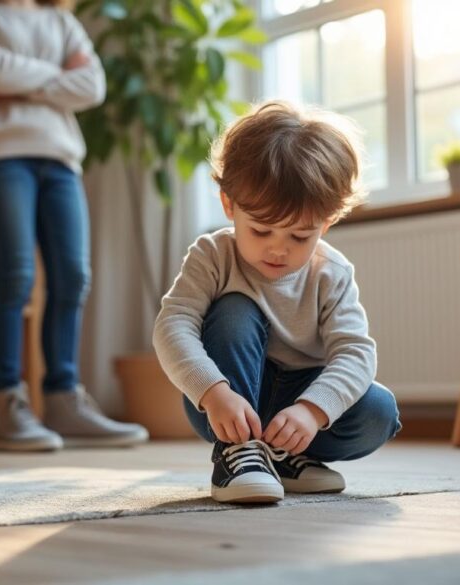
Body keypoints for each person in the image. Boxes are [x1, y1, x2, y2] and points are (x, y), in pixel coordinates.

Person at [153, 101, 401, 503]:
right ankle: (237, 453)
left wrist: (312, 411)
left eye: (300, 236)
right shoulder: (212, 255)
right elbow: (172, 324)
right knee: (235, 308)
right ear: (229, 205)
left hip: (300, 404)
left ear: (328, 220)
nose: (278, 250)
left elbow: (355, 353)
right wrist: (214, 392)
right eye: (262, 230)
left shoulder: (332, 273)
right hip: (224, 400)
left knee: (380, 411)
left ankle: (282, 457)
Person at [0, 0, 148, 451]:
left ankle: (63, 401)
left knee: (73, 277)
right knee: (16, 275)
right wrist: (55, 77)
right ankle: (9, 405)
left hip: (60, 159)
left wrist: (18, 81)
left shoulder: (62, 21)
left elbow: (91, 85)